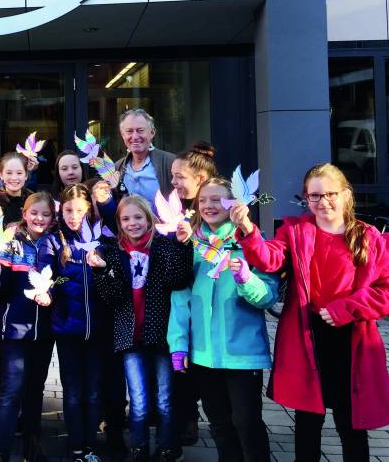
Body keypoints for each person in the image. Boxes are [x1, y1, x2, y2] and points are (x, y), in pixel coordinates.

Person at [232, 163, 389, 461]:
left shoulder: (369, 238)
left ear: (346, 195)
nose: (322, 201)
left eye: (330, 194)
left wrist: (348, 308)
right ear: (306, 197)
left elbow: (385, 290)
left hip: (352, 341)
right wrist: (249, 230)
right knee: (307, 421)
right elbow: (269, 259)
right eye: (314, 196)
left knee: (351, 424)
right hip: (308, 338)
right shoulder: (295, 231)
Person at [167, 177, 278, 462]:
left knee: (246, 423)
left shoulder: (252, 241)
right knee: (219, 424)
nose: (208, 206)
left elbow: (267, 297)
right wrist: (178, 344)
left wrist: (245, 277)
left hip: (242, 354)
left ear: (234, 204)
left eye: (217, 200)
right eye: (203, 200)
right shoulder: (190, 244)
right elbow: (180, 299)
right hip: (203, 355)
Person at [89, 195, 193, 462]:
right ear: (119, 223)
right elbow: (111, 298)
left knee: (165, 399)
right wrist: (101, 271)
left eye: (138, 217)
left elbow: (179, 280)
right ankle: (138, 447)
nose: (132, 223)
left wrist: (183, 246)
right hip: (129, 337)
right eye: (126, 219)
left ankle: (167, 446)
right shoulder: (113, 251)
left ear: (149, 219)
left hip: (161, 335)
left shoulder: (164, 246)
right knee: (138, 399)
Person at [0, 192, 56, 462]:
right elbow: (0, 288)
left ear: (52, 218)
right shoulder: (11, 245)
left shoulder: (54, 245)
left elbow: (62, 281)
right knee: (11, 390)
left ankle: (31, 445)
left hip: (43, 331)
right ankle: (1, 449)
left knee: (35, 389)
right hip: (14, 329)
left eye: (46, 214)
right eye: (34, 213)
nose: (39, 218)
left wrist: (52, 295)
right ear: (25, 214)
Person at [42, 184, 105, 462]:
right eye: (68, 210)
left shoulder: (102, 237)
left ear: (89, 210)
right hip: (68, 329)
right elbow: (53, 277)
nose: (73, 215)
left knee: (92, 393)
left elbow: (113, 278)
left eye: (79, 210)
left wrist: (102, 269)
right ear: (61, 210)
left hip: (98, 330)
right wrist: (51, 289)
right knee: (73, 391)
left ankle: (91, 446)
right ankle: (76, 446)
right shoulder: (55, 240)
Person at [167, 141, 217, 446]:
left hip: (207, 309)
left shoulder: (213, 215)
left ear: (199, 179)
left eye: (179, 176)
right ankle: (184, 421)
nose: (173, 182)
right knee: (180, 370)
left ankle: (192, 419)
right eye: (172, 176)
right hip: (180, 308)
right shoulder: (178, 212)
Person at [113, 109, 176, 206]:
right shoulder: (117, 168)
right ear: (123, 135)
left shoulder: (170, 163)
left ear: (152, 132)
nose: (134, 136)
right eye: (129, 131)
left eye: (140, 130)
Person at [0, 153, 34, 225]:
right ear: (1, 175)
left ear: (26, 175)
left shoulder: (33, 200)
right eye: (9, 173)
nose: (14, 178)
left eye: (19, 173)